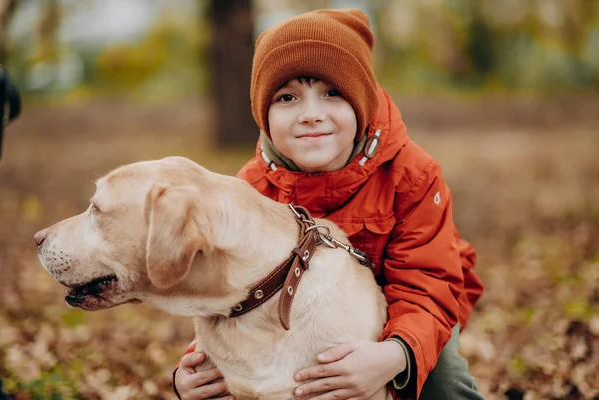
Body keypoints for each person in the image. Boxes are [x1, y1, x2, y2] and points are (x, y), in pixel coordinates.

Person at [173, 8, 484, 400]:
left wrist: (394, 355)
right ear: (263, 115)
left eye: (332, 93)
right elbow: (226, 298)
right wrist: (193, 368)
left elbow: (428, 283)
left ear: (361, 103)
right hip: (299, 319)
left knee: (443, 384)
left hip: (413, 308)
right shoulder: (249, 191)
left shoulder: (413, 174)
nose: (311, 115)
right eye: (287, 97)